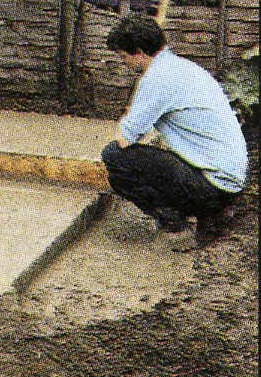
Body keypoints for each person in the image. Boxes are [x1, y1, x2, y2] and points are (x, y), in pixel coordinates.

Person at [101, 14, 248, 249]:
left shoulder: (158, 79)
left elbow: (125, 139)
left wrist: (131, 114)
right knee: (143, 161)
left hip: (213, 186)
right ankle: (215, 214)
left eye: (123, 56)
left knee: (115, 158)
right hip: (229, 181)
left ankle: (177, 228)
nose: (124, 63)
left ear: (139, 52)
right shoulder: (181, 67)